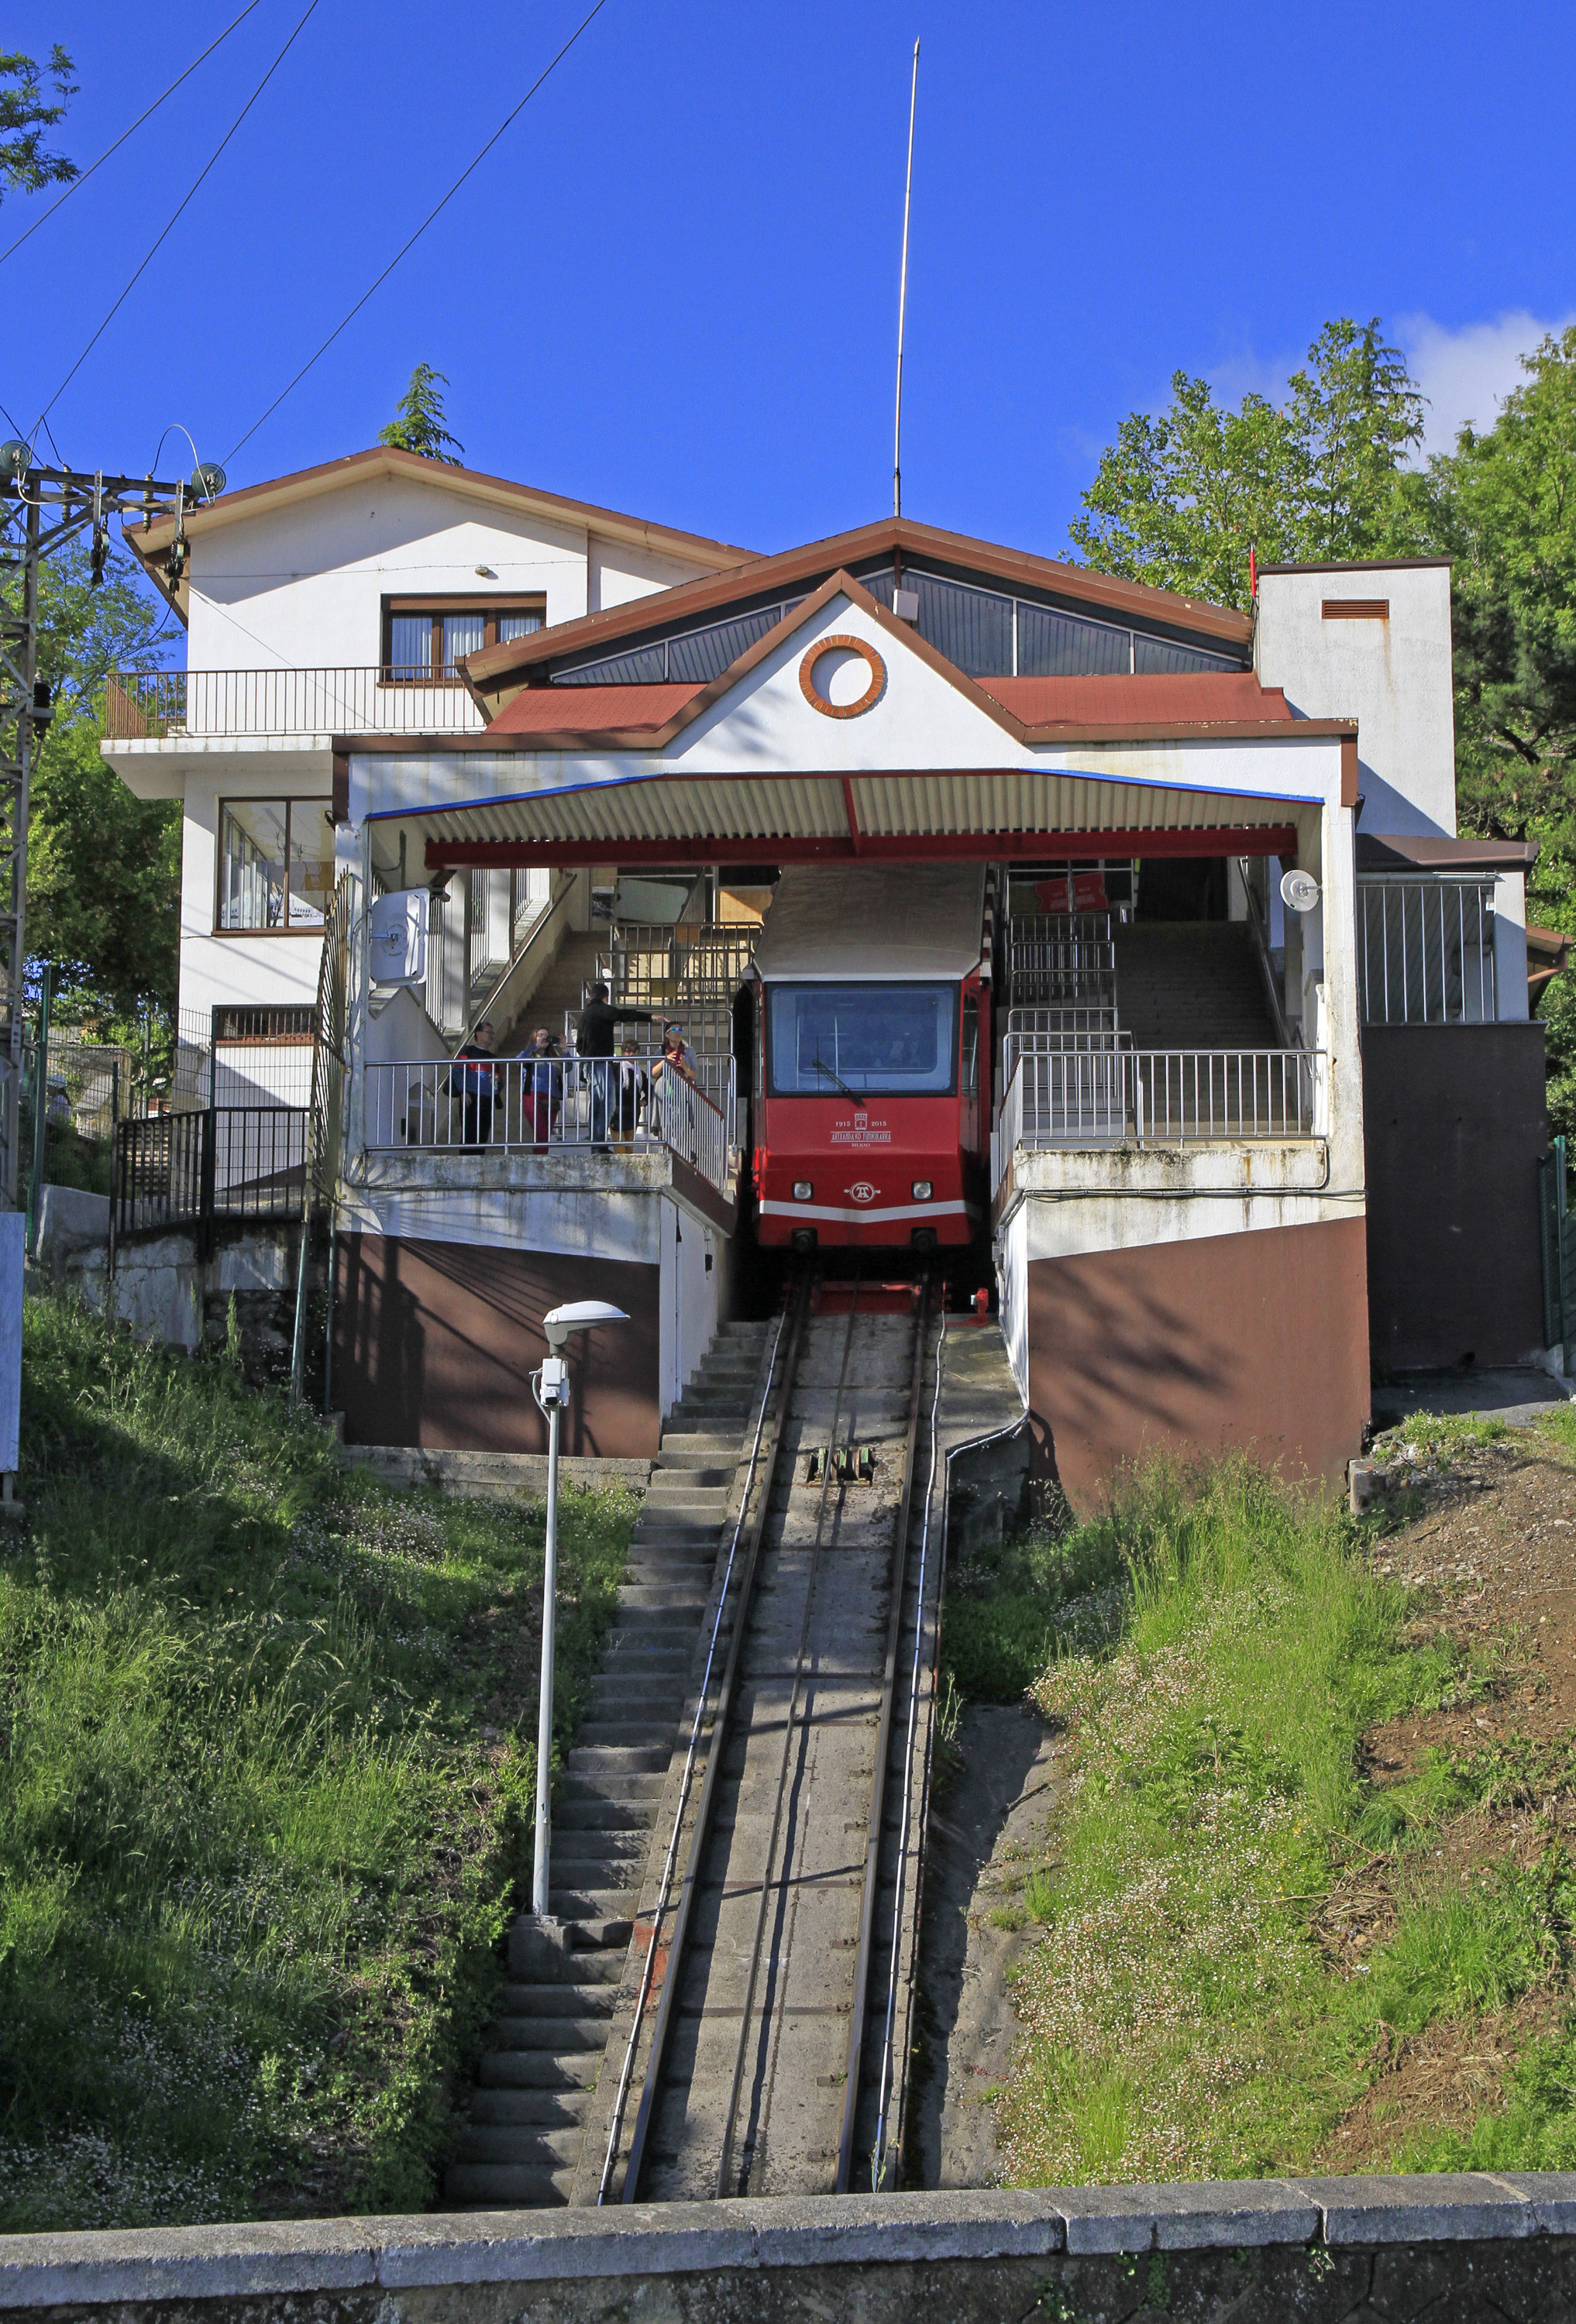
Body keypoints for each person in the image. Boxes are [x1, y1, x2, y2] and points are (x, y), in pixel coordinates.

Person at [575, 980, 654, 1150]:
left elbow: (579, 1046)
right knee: (606, 1105)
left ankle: (597, 1144)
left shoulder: (584, 1016)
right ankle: (599, 1145)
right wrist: (649, 1017)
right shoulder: (601, 1010)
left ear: (590, 996)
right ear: (606, 997)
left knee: (597, 1104)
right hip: (600, 1064)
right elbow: (623, 1015)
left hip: (590, 1064)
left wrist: (589, 1054)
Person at [455, 1019, 497, 1145]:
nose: (491, 1035)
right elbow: (457, 1071)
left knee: (483, 1135)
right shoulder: (468, 1051)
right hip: (471, 1098)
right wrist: (464, 1091)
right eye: (489, 1032)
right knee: (469, 1134)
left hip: (487, 1100)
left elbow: (497, 1083)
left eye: (493, 1033)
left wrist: (496, 1083)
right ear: (478, 1033)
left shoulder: (492, 1057)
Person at [521, 1026, 561, 1146]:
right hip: (533, 1095)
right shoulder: (530, 1055)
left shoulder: (553, 1057)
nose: (544, 1038)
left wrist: (564, 1050)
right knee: (541, 1133)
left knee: (545, 1136)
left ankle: (541, 1159)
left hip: (552, 1097)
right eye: (540, 1035)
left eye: (546, 1036)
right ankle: (540, 1161)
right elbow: (519, 1060)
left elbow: (568, 1067)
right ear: (534, 1038)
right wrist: (535, 1047)